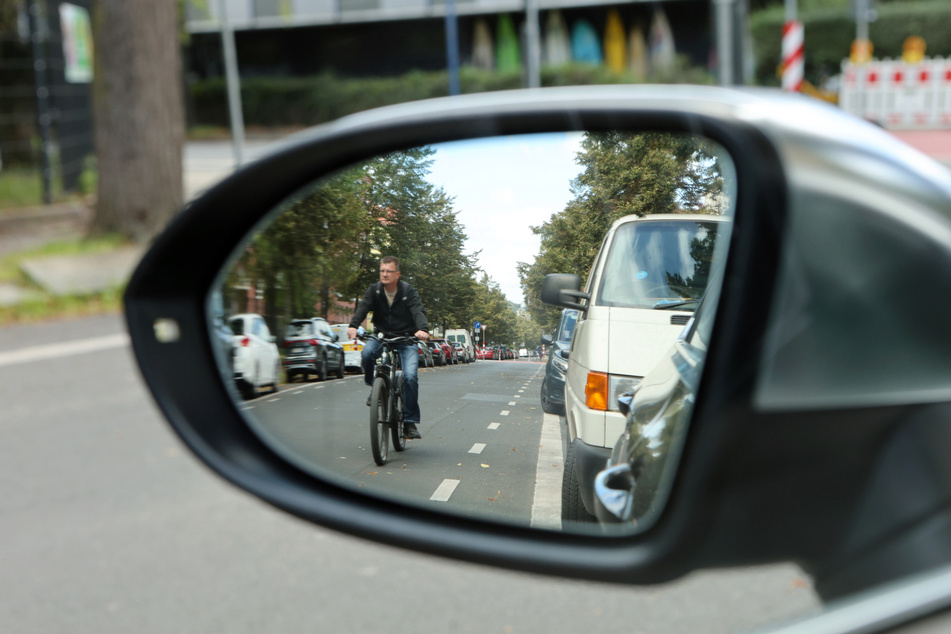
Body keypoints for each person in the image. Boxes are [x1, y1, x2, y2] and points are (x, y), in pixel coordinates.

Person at [348, 256, 430, 439]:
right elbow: (363, 307)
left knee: (410, 376)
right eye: (382, 271)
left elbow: (418, 311)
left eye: (389, 271)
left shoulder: (408, 291)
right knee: (367, 353)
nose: (384, 274)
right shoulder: (375, 291)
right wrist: (353, 325)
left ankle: (409, 423)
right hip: (382, 336)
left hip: (406, 338)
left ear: (397, 274)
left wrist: (422, 330)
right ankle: (373, 387)